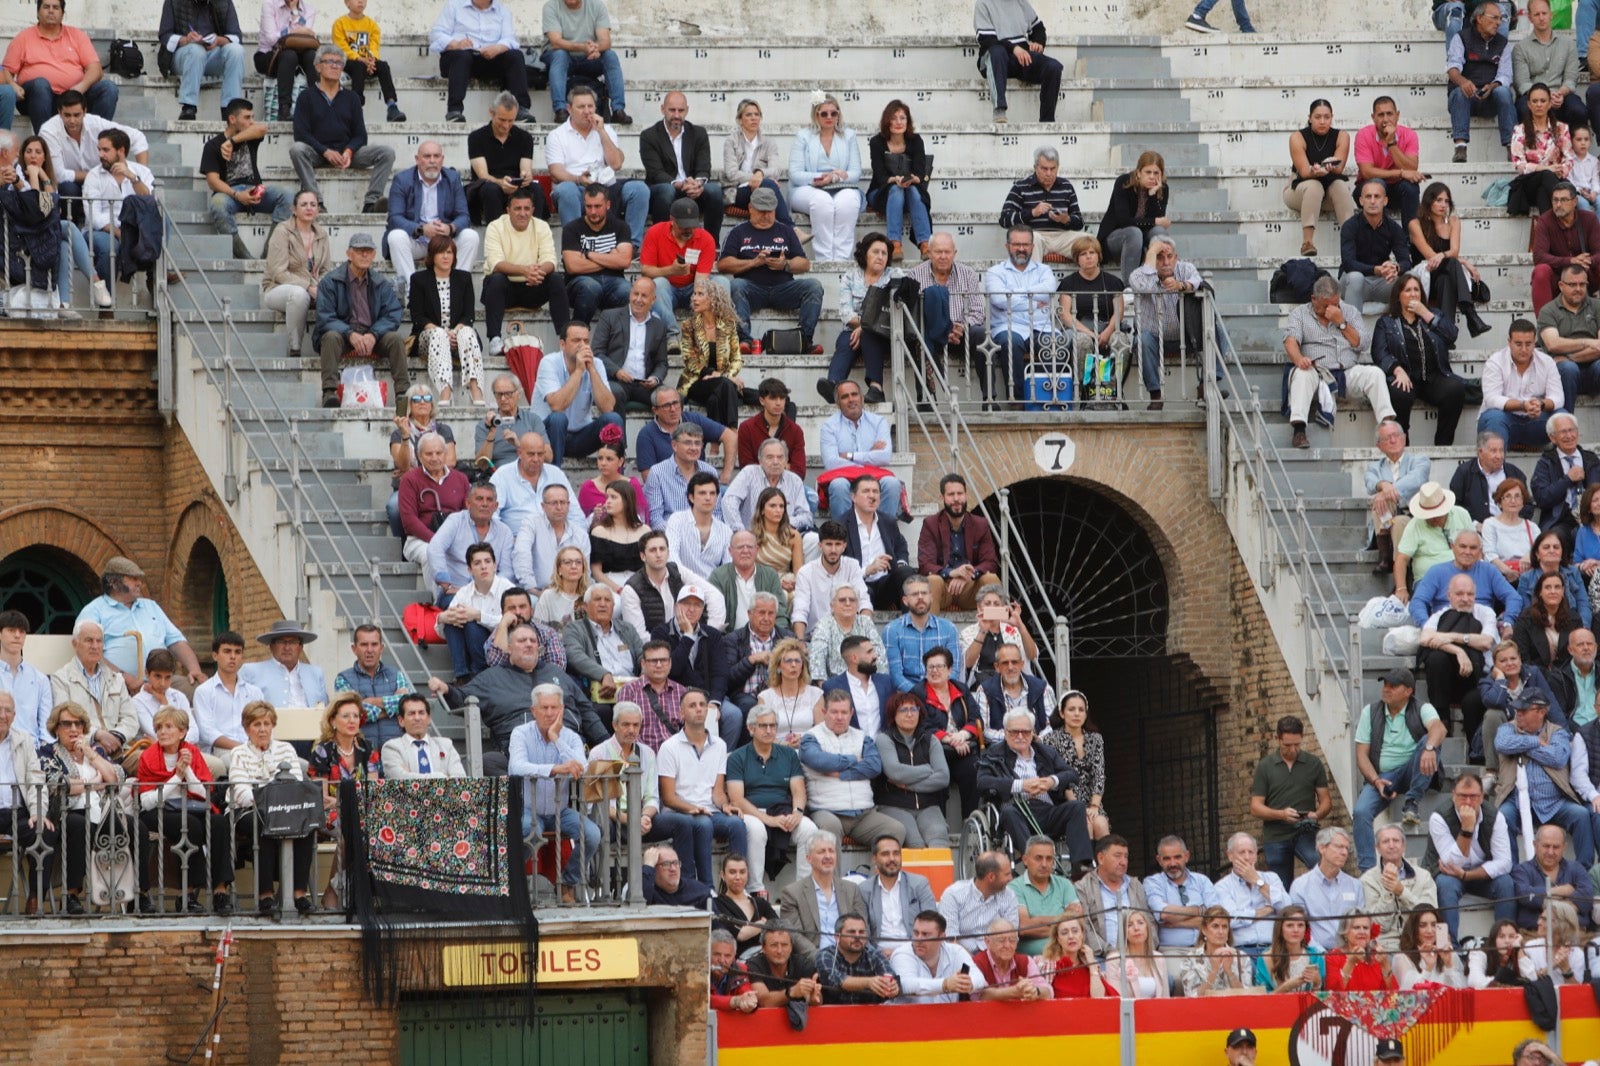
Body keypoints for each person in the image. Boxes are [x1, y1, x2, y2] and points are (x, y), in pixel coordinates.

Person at [135, 705, 234, 914]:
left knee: (218, 823)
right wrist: (176, 778)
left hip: (191, 807)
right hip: (158, 811)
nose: (162, 732)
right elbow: (148, 802)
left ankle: (220, 891)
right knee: (192, 826)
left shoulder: (192, 752)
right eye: (159, 727)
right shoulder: (148, 757)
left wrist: (187, 769)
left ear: (182, 732)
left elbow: (204, 793)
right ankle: (186, 894)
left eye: (168, 727)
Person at [507, 683, 599, 903]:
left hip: (561, 810)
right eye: (544, 708)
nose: (549, 713)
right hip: (530, 809)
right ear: (533, 711)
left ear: (562, 710)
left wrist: (556, 739)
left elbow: (583, 768)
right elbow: (517, 767)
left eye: (554, 708)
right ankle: (514, 885)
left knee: (593, 834)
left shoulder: (570, 737)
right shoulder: (520, 733)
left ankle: (568, 882)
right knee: (529, 833)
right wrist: (554, 769)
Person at [228, 700, 316, 914]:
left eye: (267, 723)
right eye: (257, 724)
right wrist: (272, 799)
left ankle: (299, 893)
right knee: (264, 823)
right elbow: (241, 793)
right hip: (248, 811)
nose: (263, 729)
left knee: (307, 826)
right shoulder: (239, 753)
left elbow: (294, 784)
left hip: (285, 809)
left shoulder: (286, 749)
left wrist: (272, 798)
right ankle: (265, 894)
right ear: (247, 728)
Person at [1352, 667, 1445, 867]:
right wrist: (1376, 781)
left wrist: (1429, 748)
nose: (1386, 689)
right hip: (1384, 777)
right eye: (1385, 685)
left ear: (1408, 691)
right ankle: (1367, 870)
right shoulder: (1370, 711)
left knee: (1429, 742)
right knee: (1360, 812)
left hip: (1414, 770)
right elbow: (1361, 755)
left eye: (1393, 686)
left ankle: (1411, 802)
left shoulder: (1422, 708)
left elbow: (1439, 728)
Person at [36, 700, 122, 914]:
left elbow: (115, 778)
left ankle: (137, 895)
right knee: (80, 825)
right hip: (66, 813)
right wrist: (94, 783)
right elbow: (58, 784)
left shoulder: (94, 752)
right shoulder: (48, 753)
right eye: (67, 724)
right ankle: (72, 894)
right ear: (56, 728)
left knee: (133, 826)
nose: (73, 729)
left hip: (100, 811)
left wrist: (91, 756)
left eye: (78, 724)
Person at [977, 708, 1091, 869]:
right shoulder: (993, 754)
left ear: (1032, 733)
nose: (1020, 736)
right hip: (1016, 811)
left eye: (1025, 732)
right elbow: (982, 782)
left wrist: (1051, 781)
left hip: (1047, 810)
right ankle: (1034, 864)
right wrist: (1020, 785)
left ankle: (1081, 866)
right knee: (1009, 812)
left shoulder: (1045, 752)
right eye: (1014, 732)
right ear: (1005, 732)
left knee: (1077, 807)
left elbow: (1071, 774)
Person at [658, 688, 748, 886]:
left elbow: (717, 791)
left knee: (737, 824)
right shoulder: (669, 747)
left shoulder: (720, 745)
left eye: (702, 705)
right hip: (680, 811)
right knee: (703, 824)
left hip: (710, 810)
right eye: (692, 705)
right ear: (681, 714)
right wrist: (692, 808)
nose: (698, 709)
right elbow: (668, 797)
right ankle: (707, 887)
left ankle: (736, 885)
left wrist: (725, 806)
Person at [289, 46, 393, 215]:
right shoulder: (306, 97)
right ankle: (317, 202)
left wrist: (349, 151)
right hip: (317, 152)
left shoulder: (351, 98)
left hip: (346, 153)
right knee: (297, 150)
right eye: (329, 61)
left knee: (387, 152)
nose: (335, 66)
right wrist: (325, 151)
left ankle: (371, 203)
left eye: (339, 63)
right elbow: (301, 134)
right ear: (318, 67)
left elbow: (360, 135)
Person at [717, 185, 822, 353]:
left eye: (770, 211)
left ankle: (804, 340)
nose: (766, 215)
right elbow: (722, 265)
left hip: (783, 288)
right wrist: (753, 263)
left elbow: (804, 263)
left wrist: (785, 265)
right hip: (752, 289)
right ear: (750, 208)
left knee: (814, 286)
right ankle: (745, 340)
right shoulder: (738, 232)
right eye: (761, 211)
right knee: (736, 286)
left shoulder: (786, 231)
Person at [726, 705, 819, 892]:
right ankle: (755, 890)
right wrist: (769, 819)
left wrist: (797, 813)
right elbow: (737, 800)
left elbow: (798, 791)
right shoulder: (737, 757)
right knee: (757, 829)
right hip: (752, 812)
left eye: (773, 726)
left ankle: (804, 891)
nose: (769, 731)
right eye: (763, 726)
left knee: (810, 829)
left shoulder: (789, 754)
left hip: (783, 811)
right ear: (751, 728)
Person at [74, 556, 205, 689]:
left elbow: (176, 641)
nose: (139, 583)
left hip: (163, 682)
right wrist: (123, 678)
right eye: (133, 578)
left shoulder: (151, 606)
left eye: (139, 579)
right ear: (113, 582)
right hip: (114, 685)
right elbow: (87, 652)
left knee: (199, 690)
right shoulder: (94, 611)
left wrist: (195, 669)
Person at [313, 232, 408, 410]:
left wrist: (374, 333)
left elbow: (393, 312)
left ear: (374, 255)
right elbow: (325, 316)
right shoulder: (330, 281)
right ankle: (329, 392)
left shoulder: (380, 282)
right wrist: (349, 333)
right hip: (344, 335)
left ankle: (403, 394)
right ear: (349, 254)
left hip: (373, 334)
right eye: (359, 250)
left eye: (368, 251)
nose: (364, 255)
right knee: (330, 337)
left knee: (395, 340)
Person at [1496, 693, 1594, 865]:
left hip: (1554, 802)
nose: (1518, 713)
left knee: (1581, 815)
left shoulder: (1558, 732)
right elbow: (1502, 744)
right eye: (1517, 709)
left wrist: (1521, 746)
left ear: (1541, 712)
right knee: (1503, 815)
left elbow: (1557, 758)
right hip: (1516, 801)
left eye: (1523, 710)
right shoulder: (1507, 728)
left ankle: (1583, 872)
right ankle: (1511, 871)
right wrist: (1535, 742)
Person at [544, 85, 646, 250]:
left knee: (639, 189)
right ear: (569, 109)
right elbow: (556, 172)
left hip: (607, 187)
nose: (587, 111)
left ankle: (631, 247)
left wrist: (601, 132)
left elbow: (616, 164)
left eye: (590, 106)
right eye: (581, 107)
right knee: (565, 191)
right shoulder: (557, 135)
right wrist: (578, 179)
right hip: (577, 188)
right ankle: (575, 247)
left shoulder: (606, 130)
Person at [1374, 276, 1468, 447]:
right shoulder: (1386, 322)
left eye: (1416, 290)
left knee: (1456, 388)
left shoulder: (1434, 315)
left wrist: (1425, 314)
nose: (1413, 294)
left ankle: (1443, 444)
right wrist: (1397, 369)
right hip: (1406, 377)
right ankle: (1404, 444)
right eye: (1408, 290)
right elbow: (1379, 352)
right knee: (1398, 393)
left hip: (1434, 376)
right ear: (1398, 296)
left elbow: (1451, 335)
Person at [2, 0, 115, 134]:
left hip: (73, 96)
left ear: (62, 14)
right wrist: (13, 85)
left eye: (56, 7)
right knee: (40, 84)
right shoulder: (23, 38)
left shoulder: (77, 36)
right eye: (46, 7)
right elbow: (5, 71)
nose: (51, 11)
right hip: (36, 98)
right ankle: (47, 143)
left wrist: (81, 87)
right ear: (38, 12)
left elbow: (96, 69)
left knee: (109, 89)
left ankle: (96, 142)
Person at [481, 185, 569, 352]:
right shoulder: (495, 226)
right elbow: (497, 264)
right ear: (508, 210)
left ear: (533, 209)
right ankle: (494, 339)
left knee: (556, 279)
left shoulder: (541, 226)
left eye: (527, 208)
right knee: (496, 278)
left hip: (532, 286)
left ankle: (566, 339)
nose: (523, 213)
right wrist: (525, 271)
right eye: (517, 208)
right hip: (504, 290)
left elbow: (550, 260)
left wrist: (537, 272)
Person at [200, 98, 290, 260]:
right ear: (232, 119)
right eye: (247, 117)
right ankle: (245, 258)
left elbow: (262, 128)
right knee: (217, 204)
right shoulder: (213, 146)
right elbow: (212, 181)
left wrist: (232, 141)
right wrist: (236, 195)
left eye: (253, 117)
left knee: (288, 196)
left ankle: (268, 254)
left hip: (255, 190)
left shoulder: (250, 136)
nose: (252, 122)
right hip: (230, 194)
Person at [819, 232, 899, 406]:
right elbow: (846, 313)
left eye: (884, 253)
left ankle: (876, 388)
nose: (880, 257)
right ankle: (834, 385)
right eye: (875, 252)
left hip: (886, 333)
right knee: (846, 340)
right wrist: (864, 325)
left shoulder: (895, 275)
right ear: (865, 254)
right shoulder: (850, 276)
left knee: (868, 333)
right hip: (853, 330)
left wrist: (866, 326)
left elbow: (896, 311)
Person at [983, 226, 1057, 405]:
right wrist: (1033, 301)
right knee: (1011, 341)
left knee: (1057, 342)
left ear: (1032, 247)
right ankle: (1017, 400)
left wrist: (1014, 293)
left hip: (1041, 326)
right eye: (1016, 244)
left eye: (1025, 244)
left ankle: (1051, 398)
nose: (1021, 249)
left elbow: (1048, 291)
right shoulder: (995, 272)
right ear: (1007, 246)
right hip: (1007, 327)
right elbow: (1000, 300)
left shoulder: (1044, 270)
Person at [908, 232, 986, 401]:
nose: (943, 256)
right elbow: (912, 314)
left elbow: (979, 311)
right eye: (938, 252)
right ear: (929, 253)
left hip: (960, 335)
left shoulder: (968, 274)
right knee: (917, 339)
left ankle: (989, 399)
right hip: (929, 335)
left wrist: (961, 327)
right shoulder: (914, 275)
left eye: (947, 252)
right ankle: (926, 398)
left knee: (981, 335)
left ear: (954, 253)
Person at [533, 321, 624, 466]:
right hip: (550, 436)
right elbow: (557, 405)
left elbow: (608, 407)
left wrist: (592, 370)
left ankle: (617, 481)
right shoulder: (548, 362)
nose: (582, 345)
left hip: (582, 436)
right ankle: (554, 481)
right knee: (558, 419)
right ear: (562, 344)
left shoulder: (597, 364)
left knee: (613, 418)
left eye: (586, 341)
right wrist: (579, 371)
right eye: (576, 340)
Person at [386, 141, 478, 282]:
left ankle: (455, 288)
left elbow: (464, 216)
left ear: (442, 159)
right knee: (395, 237)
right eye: (427, 156)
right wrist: (422, 229)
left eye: (436, 156)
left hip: (444, 240)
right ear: (417, 159)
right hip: (417, 240)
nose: (432, 161)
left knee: (470, 236)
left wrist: (450, 228)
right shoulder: (402, 180)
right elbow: (394, 218)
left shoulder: (452, 178)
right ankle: (412, 292)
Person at [1408, 181, 1491, 338]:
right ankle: (1470, 314)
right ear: (1428, 201)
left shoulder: (1453, 221)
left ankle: (1446, 333)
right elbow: (1430, 257)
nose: (1443, 205)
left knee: (1446, 279)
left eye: (1446, 201)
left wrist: (1446, 256)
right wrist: (1463, 261)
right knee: (1451, 264)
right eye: (1438, 200)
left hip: (1445, 275)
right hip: (1425, 275)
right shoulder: (1415, 224)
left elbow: (1454, 251)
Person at [408, 235, 483, 407]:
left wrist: (455, 331)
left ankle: (475, 389)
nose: (445, 256)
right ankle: (445, 391)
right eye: (441, 252)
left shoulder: (463, 278)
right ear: (432, 255)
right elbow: (418, 317)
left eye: (449, 252)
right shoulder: (418, 280)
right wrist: (443, 332)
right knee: (439, 335)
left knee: (467, 332)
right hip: (429, 337)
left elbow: (469, 315)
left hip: (458, 337)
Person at [640, 91, 724, 246]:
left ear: (687, 110)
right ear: (662, 109)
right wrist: (679, 184)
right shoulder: (649, 136)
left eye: (681, 110)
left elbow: (704, 167)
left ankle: (712, 245)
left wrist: (697, 184)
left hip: (692, 189)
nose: (677, 115)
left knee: (714, 191)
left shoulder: (698, 133)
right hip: (664, 190)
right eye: (672, 110)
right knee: (666, 190)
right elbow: (655, 172)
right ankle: (663, 244)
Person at [81, 128, 155, 302]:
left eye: (105, 150)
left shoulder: (141, 172)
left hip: (134, 228)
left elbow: (149, 203)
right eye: (99, 149)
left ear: (121, 151)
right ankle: (106, 302)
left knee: (163, 221)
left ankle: (153, 274)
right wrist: (118, 233)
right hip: (101, 230)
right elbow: (93, 215)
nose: (100, 154)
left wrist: (132, 178)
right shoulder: (93, 175)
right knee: (108, 248)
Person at [788, 92, 862, 265]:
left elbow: (855, 173)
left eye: (833, 113)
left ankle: (842, 260)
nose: (829, 117)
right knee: (822, 201)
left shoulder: (849, 135)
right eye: (824, 113)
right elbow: (796, 174)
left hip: (841, 186)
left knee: (849, 201)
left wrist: (834, 178)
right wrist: (821, 177)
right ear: (816, 115)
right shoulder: (803, 136)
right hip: (807, 188)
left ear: (838, 114)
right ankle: (825, 260)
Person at [428, 0, 530, 124]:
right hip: (458, 58)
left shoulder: (502, 10)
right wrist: (456, 43)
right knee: (462, 56)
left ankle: (521, 109)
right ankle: (454, 111)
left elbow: (509, 39)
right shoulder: (454, 5)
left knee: (515, 56)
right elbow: (436, 34)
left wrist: (497, 48)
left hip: (490, 58)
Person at [49, 619, 137, 757]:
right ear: (75, 644)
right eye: (89, 640)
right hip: (82, 752)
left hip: (120, 750)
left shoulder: (116, 679)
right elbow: (65, 723)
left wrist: (115, 737)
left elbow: (131, 719)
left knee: (148, 763)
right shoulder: (61, 679)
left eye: (99, 641)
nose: (95, 646)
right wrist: (97, 735)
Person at [872, 693, 950, 847]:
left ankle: (938, 872)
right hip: (894, 804)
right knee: (914, 841)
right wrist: (927, 769)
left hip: (928, 805)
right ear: (893, 715)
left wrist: (907, 785)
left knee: (939, 836)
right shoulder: (884, 739)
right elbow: (895, 772)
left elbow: (943, 777)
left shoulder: (930, 740)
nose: (909, 714)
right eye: (903, 710)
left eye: (913, 709)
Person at [1055, 234, 1131, 390]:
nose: (1088, 257)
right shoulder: (1069, 283)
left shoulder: (1113, 282)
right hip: (1080, 329)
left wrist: (1107, 333)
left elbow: (1118, 313)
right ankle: (1087, 389)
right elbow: (1066, 315)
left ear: (1098, 256)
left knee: (1120, 340)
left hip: (1107, 328)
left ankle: (1109, 389)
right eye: (1083, 254)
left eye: (1092, 253)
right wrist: (1090, 334)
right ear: (1077, 259)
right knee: (1083, 341)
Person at [820, 382, 904, 521]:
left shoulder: (878, 422)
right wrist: (869, 456)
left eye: (854, 394)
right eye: (845, 397)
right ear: (838, 404)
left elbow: (884, 457)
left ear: (862, 398)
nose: (851, 399)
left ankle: (885, 534)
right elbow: (831, 463)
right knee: (838, 485)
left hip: (873, 478)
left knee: (892, 484)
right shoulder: (829, 427)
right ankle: (844, 537)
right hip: (844, 479)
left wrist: (850, 456)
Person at [1477, 320, 1563, 452]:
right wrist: (1523, 405)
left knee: (1562, 416)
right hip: (1503, 421)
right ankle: (1496, 471)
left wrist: (1540, 404)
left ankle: (1568, 469)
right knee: (1494, 417)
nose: (1524, 349)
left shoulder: (1546, 362)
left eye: (1528, 344)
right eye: (1518, 344)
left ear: (1535, 343)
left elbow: (1558, 398)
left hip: (1536, 421)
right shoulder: (1495, 362)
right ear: (1509, 342)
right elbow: (1492, 399)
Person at [776, 832, 867, 957]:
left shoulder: (851, 890)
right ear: (809, 858)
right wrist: (821, 959)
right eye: (821, 852)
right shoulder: (792, 893)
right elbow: (795, 935)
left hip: (850, 956)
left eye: (831, 851)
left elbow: (863, 928)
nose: (828, 856)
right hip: (814, 958)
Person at [1446, 2, 1517, 161]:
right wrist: (1463, 82)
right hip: (1466, 98)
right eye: (1494, 18)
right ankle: (1460, 147)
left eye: (1500, 19)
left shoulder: (1502, 43)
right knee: (1459, 92)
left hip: (1491, 97)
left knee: (1504, 92)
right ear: (1479, 18)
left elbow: (1505, 75)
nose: (1499, 23)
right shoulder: (1461, 38)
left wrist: (1493, 86)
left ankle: (1511, 147)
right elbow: (1452, 69)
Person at [1284, 99, 1355, 257]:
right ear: (1309, 118)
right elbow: (1303, 171)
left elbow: (1339, 167)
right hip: (1299, 191)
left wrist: (1330, 168)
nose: (1322, 121)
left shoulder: (1342, 136)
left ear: (1332, 117)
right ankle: (1307, 242)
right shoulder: (1297, 137)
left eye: (1326, 117)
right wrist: (1315, 171)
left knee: (1340, 186)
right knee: (1314, 186)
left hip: (1329, 193)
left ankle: (1352, 241)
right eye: (1317, 117)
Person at [540, 0, 629, 126]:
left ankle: (618, 110)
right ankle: (560, 110)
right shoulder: (551, 6)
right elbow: (556, 42)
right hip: (561, 57)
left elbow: (606, 41)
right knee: (560, 54)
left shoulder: (597, 6)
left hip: (589, 57)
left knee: (610, 56)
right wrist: (583, 47)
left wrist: (596, 48)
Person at [262, 190, 329, 356]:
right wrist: (308, 286)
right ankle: (295, 347)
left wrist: (321, 287)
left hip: (313, 288)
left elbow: (325, 269)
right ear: (294, 209)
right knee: (299, 294)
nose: (309, 208)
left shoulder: (322, 234)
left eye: (313, 205)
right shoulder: (282, 231)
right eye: (304, 204)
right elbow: (278, 271)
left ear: (318, 210)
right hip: (278, 288)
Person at [973, 0, 1062, 124]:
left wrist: (1039, 42)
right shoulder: (983, 4)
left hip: (1020, 58)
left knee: (1053, 67)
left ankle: (1047, 122)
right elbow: (987, 40)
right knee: (997, 52)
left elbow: (1038, 28)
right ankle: (999, 109)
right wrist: (1014, 48)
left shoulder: (1021, 3)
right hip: (994, 59)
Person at [679, 278, 750, 430]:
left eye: (700, 294)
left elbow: (737, 358)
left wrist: (725, 375)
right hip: (696, 381)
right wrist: (718, 375)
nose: (694, 298)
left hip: (721, 383)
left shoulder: (728, 324)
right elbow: (689, 359)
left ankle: (716, 442)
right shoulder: (688, 325)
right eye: (694, 294)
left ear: (713, 299)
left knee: (715, 398)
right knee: (727, 385)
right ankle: (732, 430)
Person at [157, 0, 245, 121]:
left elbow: (236, 36)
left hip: (212, 54)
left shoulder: (224, 2)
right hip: (183, 55)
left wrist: (219, 40)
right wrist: (186, 39)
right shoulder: (173, 2)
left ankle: (229, 110)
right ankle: (189, 107)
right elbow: (165, 35)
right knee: (196, 50)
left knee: (236, 51)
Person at [1359, 825, 1440, 954]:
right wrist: (1388, 891)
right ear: (1378, 848)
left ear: (1403, 846)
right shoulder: (1367, 880)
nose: (1391, 845)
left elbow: (1430, 915)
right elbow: (1379, 925)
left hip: (1419, 944)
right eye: (1386, 841)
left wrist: (1402, 892)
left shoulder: (1423, 876)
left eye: (1396, 841)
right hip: (1385, 947)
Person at [866, 99, 930, 261]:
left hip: (910, 191)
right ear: (886, 121)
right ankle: (894, 244)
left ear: (908, 121)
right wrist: (895, 179)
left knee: (913, 191)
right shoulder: (877, 142)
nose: (898, 122)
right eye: (894, 118)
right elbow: (879, 176)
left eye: (902, 118)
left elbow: (920, 173)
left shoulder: (916, 140)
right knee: (896, 189)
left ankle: (925, 244)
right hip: (881, 192)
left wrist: (912, 179)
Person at [561, 183, 633, 326]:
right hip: (579, 283)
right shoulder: (571, 229)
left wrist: (589, 255)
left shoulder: (620, 227)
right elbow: (573, 267)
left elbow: (624, 261)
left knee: (627, 290)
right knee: (591, 287)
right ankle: (578, 336)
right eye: (589, 206)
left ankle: (616, 340)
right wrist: (611, 258)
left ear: (608, 205)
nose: (593, 211)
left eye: (598, 206)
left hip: (614, 282)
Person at [1041, 690, 1108, 841]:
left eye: (1081, 710)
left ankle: (1103, 864)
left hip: (1092, 800)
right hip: (1065, 801)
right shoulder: (1051, 739)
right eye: (1071, 709)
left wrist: (1095, 806)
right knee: (1086, 824)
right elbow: (1059, 777)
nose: (1077, 714)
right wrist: (1078, 807)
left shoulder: (1096, 738)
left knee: (1101, 824)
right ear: (1062, 713)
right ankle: (1086, 864)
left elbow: (1099, 774)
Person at [592, 277, 667, 412]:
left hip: (644, 385)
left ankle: (663, 433)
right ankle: (618, 434)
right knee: (615, 393)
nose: (638, 299)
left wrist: (655, 378)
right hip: (615, 381)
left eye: (644, 296)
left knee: (671, 398)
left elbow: (661, 362)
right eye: (635, 294)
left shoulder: (659, 325)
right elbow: (596, 353)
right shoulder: (609, 316)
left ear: (653, 300)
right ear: (630, 294)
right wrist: (617, 371)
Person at [335, 625, 417, 746]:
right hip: (360, 750)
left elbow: (410, 706)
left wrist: (372, 701)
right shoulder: (343, 679)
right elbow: (353, 714)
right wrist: (394, 709)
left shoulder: (396, 674)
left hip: (397, 750)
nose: (369, 650)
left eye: (374, 644)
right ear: (354, 649)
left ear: (381, 648)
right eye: (364, 645)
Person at [1073, 832, 1152, 956]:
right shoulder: (1083, 887)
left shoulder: (1136, 886)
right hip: (1101, 957)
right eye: (1118, 856)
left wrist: (1142, 951)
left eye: (1126, 856)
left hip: (1138, 955)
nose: (1123, 862)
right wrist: (1112, 954)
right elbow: (1084, 927)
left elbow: (1149, 921)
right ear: (1101, 858)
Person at [465, 94, 537, 228]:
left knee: (535, 189)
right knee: (491, 189)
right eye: (502, 120)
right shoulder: (476, 138)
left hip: (515, 185)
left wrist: (526, 177)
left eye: (511, 120)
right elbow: (483, 175)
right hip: (487, 186)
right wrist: (501, 182)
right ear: (491, 113)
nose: (506, 125)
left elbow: (525, 169)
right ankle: (495, 235)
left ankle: (535, 234)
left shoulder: (524, 138)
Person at [791, 521, 872, 640]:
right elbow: (800, 610)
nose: (833, 550)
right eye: (828, 544)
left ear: (844, 546)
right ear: (820, 545)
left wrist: (864, 636)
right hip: (815, 637)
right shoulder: (806, 572)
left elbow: (864, 601)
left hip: (849, 637)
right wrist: (800, 642)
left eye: (838, 544)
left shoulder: (852, 566)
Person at [1289, 827, 1365, 949]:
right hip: (1315, 955)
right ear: (1322, 848)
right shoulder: (1300, 886)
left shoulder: (1355, 886)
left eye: (1347, 848)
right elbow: (1300, 927)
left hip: (1350, 954)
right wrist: (1321, 954)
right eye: (1339, 847)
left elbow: (1361, 924)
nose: (1344, 852)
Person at [1341, 178, 1412, 309]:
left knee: (1409, 280)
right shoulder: (1350, 226)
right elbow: (1348, 263)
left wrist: (1395, 268)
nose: (1372, 201)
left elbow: (1406, 262)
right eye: (1368, 197)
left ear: (1385, 201)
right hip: (1355, 283)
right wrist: (1375, 269)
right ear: (1361, 201)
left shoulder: (1394, 228)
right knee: (1355, 278)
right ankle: (1352, 328)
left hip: (1382, 283)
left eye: (1377, 196)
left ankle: (1401, 328)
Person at [1099, 152, 1170, 282]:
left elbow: (1157, 223)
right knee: (1134, 232)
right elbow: (1124, 221)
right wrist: (1154, 221)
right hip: (1116, 238)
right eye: (1148, 172)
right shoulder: (1124, 182)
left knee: (1160, 232)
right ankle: (1130, 287)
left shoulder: (1163, 188)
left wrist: (1153, 195)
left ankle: (1159, 282)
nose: (1152, 177)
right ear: (1138, 172)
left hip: (1142, 239)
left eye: (1156, 173)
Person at [1143, 835, 1222, 953]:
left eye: (1177, 857)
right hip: (1172, 950)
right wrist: (1200, 910)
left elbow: (1216, 917)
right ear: (1159, 860)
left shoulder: (1202, 881)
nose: (1173, 863)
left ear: (1187, 856)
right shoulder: (1153, 882)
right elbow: (1164, 914)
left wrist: (1177, 923)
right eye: (1167, 859)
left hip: (1206, 947)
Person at [858, 832, 936, 950]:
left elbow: (932, 923)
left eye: (896, 853)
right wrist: (877, 954)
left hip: (913, 950)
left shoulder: (919, 884)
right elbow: (861, 933)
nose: (892, 859)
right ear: (874, 859)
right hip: (878, 953)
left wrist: (907, 951)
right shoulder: (864, 889)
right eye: (885, 854)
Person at [1213, 831, 1286, 957]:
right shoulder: (1222, 886)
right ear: (1230, 855)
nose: (1247, 857)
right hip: (1241, 951)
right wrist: (1265, 911)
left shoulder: (1272, 878)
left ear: (1256, 855)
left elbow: (1286, 909)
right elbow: (1230, 920)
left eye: (1251, 852)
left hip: (1273, 950)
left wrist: (1258, 882)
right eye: (1242, 852)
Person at [722, 98, 793, 226]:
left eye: (757, 114)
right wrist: (757, 178)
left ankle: (785, 230)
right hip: (736, 192)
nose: (754, 118)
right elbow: (732, 173)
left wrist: (760, 173)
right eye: (748, 115)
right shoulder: (731, 141)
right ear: (740, 120)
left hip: (763, 190)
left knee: (768, 187)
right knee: (769, 185)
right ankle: (791, 228)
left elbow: (776, 171)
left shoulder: (769, 142)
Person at [1538, 264, 1600, 411]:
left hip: (1594, 371)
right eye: (1572, 284)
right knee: (1567, 368)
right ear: (1561, 285)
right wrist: (1588, 342)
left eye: (1582, 284)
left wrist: (1571, 357)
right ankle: (1565, 425)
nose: (1578, 289)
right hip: (1564, 375)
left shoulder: (1597, 306)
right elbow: (1553, 344)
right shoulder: (1548, 311)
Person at [191, 632, 264, 756]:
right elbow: (207, 732)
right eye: (227, 651)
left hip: (254, 749)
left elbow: (263, 725)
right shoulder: (204, 691)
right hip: (219, 751)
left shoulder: (254, 692)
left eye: (237, 652)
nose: (233, 656)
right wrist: (242, 748)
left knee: (294, 763)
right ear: (215, 656)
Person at [890, 910, 986, 1003]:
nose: (919, 939)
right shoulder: (902, 954)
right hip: (910, 1017)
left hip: (949, 1016)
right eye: (916, 933)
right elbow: (906, 985)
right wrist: (945, 984)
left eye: (925, 934)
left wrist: (967, 983)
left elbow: (980, 979)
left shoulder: (956, 951)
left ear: (942, 937)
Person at [1355, 96, 1424, 225]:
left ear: (1397, 115)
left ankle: (1409, 241)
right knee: (1376, 183)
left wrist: (1391, 143)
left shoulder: (1409, 135)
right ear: (1373, 117)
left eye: (1390, 114)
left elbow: (1412, 168)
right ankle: (1378, 238)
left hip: (1397, 191)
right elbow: (1366, 172)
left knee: (1410, 187)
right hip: (1369, 190)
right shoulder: (1363, 135)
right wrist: (1400, 173)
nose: (1386, 119)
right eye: (1381, 115)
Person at [1511, 822, 1595, 929]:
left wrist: (1546, 904)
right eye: (1546, 846)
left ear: (1564, 847)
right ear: (1535, 845)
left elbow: (1586, 898)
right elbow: (1525, 896)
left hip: (1573, 937)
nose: (1550, 852)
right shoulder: (1521, 870)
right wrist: (1562, 892)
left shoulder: (1576, 868)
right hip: (1534, 937)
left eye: (1556, 847)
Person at [331, 0, 403, 122]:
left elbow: (374, 46)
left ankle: (392, 106)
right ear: (347, 3)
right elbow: (341, 48)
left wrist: (371, 60)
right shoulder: (340, 23)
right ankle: (356, 107)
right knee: (358, 66)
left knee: (383, 66)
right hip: (348, 62)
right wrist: (360, 59)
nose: (361, 1)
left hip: (367, 62)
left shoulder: (372, 25)